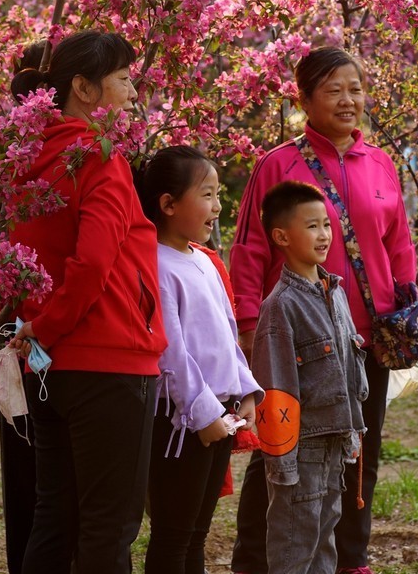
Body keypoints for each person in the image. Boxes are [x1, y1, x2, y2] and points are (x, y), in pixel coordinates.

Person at [230, 47, 416, 574]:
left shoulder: (380, 163)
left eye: (355, 88)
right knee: (278, 451)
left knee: (359, 453)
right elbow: (249, 251)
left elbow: (399, 247)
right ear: (304, 98)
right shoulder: (278, 164)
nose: (348, 100)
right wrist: (248, 327)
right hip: (296, 342)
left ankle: (350, 560)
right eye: (333, 89)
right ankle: (255, 561)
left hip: (364, 341)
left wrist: (406, 311)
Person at [7, 30, 167, 574]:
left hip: (49, 365)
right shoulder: (99, 157)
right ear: (83, 87)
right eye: (122, 80)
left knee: (57, 515)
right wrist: (49, 326)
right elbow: (94, 262)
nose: (131, 93)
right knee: (109, 525)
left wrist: (41, 329)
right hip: (109, 358)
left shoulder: (27, 158)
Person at [133, 146, 262, 574]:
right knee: (173, 534)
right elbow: (170, 351)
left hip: (220, 413)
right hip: (182, 421)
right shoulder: (156, 263)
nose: (218, 206)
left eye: (218, 194)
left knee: (197, 533)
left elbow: (227, 335)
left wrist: (246, 390)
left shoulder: (203, 260)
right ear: (168, 204)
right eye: (207, 194)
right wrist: (202, 412)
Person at [251, 180, 368, 574]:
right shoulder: (281, 307)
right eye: (312, 226)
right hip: (302, 451)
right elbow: (276, 387)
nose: (324, 235)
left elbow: (351, 370)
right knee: (294, 545)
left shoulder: (335, 292)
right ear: (282, 236)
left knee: (324, 541)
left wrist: (352, 433)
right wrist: (281, 464)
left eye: (327, 225)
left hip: (335, 443)